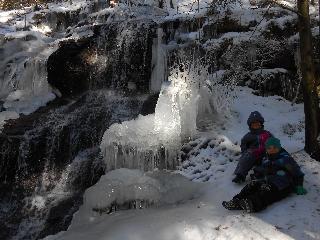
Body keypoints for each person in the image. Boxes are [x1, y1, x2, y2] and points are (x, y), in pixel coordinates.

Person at [223, 137, 307, 213]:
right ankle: (236, 201)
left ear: (279, 147)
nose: (272, 149)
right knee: (251, 186)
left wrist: (299, 185)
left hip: (283, 185)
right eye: (270, 148)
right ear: (266, 149)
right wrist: (257, 175)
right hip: (268, 179)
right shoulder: (266, 158)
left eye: (275, 147)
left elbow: (297, 173)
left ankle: (252, 204)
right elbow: (263, 169)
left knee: (267, 191)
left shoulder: (285, 159)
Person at [232, 111, 272, 183]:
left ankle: (258, 174)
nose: (256, 125)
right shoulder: (248, 136)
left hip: (265, 154)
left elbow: (273, 141)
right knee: (246, 158)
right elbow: (243, 145)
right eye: (254, 124)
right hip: (254, 155)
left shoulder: (267, 133)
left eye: (258, 124)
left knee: (268, 162)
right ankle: (240, 175)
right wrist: (245, 152)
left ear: (261, 124)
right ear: (251, 126)